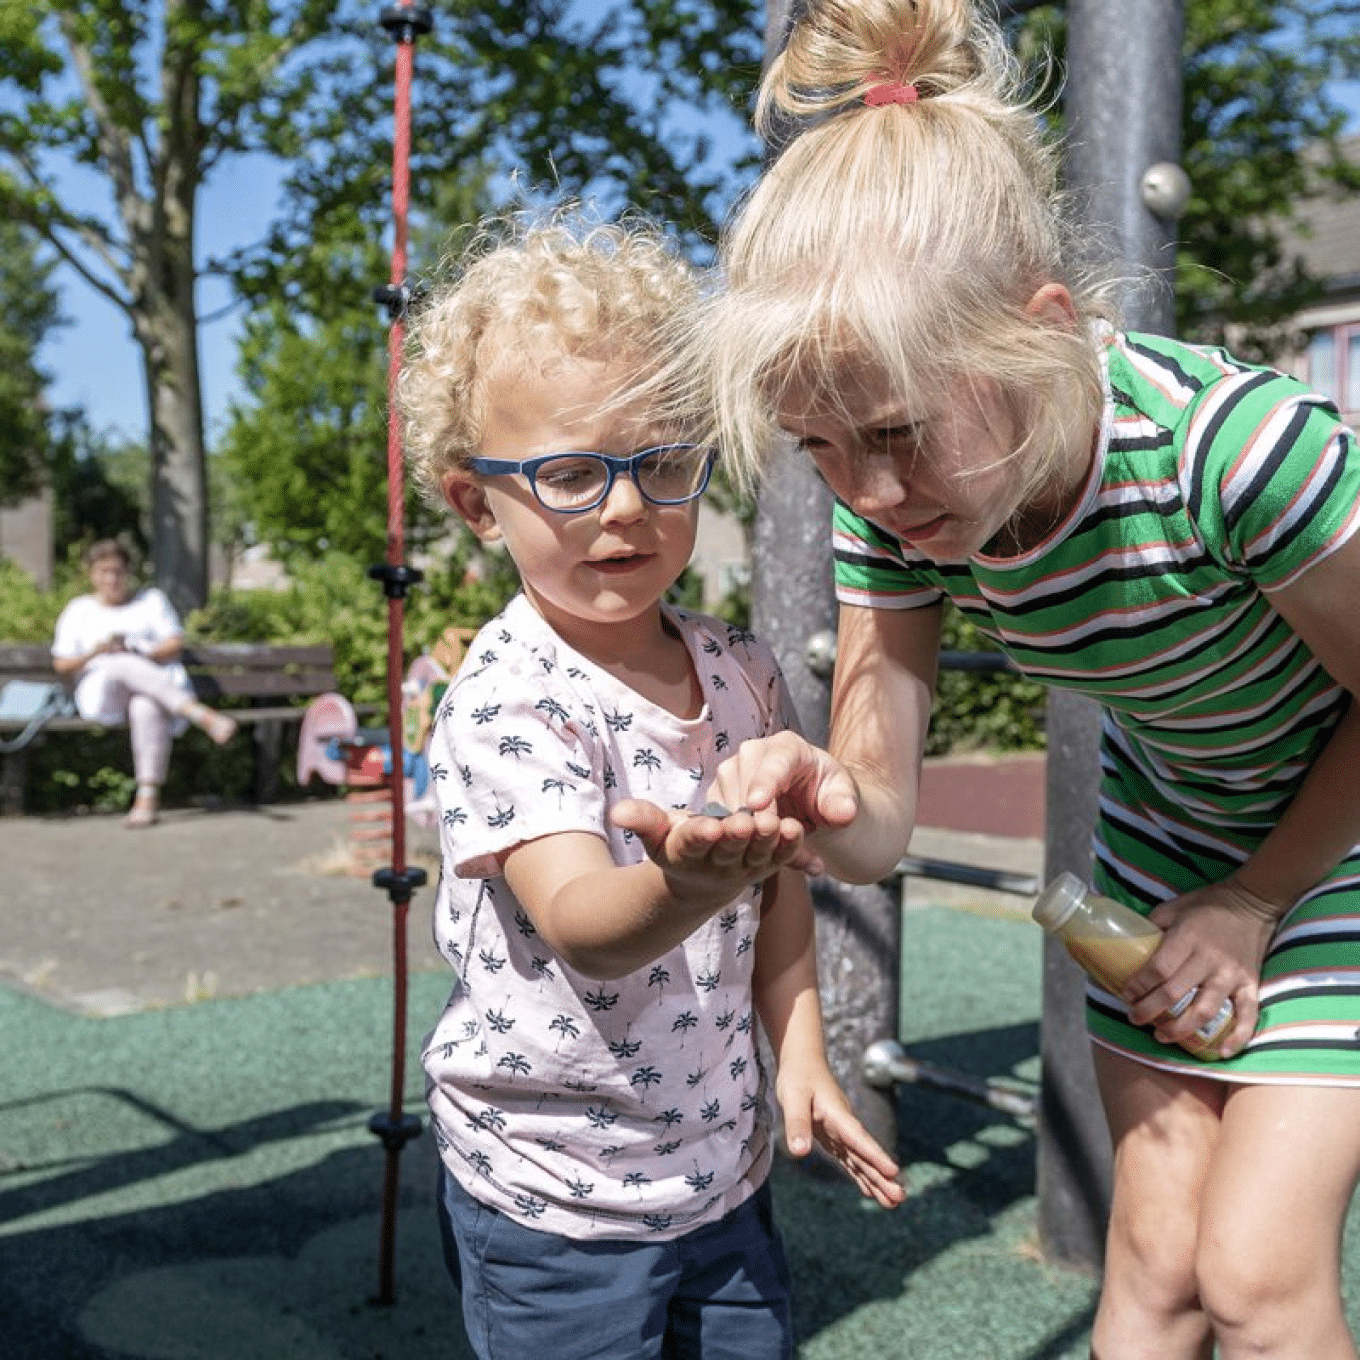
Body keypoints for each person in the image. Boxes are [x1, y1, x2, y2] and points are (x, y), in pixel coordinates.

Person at [693, 2, 1360, 1357]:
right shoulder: (893, 508)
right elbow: (879, 818)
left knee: (1257, 1275)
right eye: (818, 445)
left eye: (894, 432)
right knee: (1158, 1254)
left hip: (1338, 844)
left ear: (1042, 333)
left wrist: (1252, 903)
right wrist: (821, 797)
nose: (869, 493)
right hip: (1169, 839)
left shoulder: (1232, 450)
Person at [398, 213, 903, 1360]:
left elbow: (778, 895)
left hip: (718, 1173)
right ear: (478, 502)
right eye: (571, 474)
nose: (624, 506)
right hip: (554, 1200)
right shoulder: (506, 698)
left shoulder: (739, 669)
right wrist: (682, 884)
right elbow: (584, 925)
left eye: (662, 460)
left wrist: (804, 1049)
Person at [51, 540, 237, 828]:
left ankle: (146, 799)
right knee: (118, 662)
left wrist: (143, 652)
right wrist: (97, 652)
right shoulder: (79, 610)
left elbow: (175, 641)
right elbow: (61, 664)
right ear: (92, 574)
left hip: (153, 690)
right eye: (104, 571)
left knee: (145, 705)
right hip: (102, 694)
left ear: (128, 572)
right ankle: (200, 714)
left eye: (118, 571)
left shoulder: (151, 601)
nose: (112, 579)